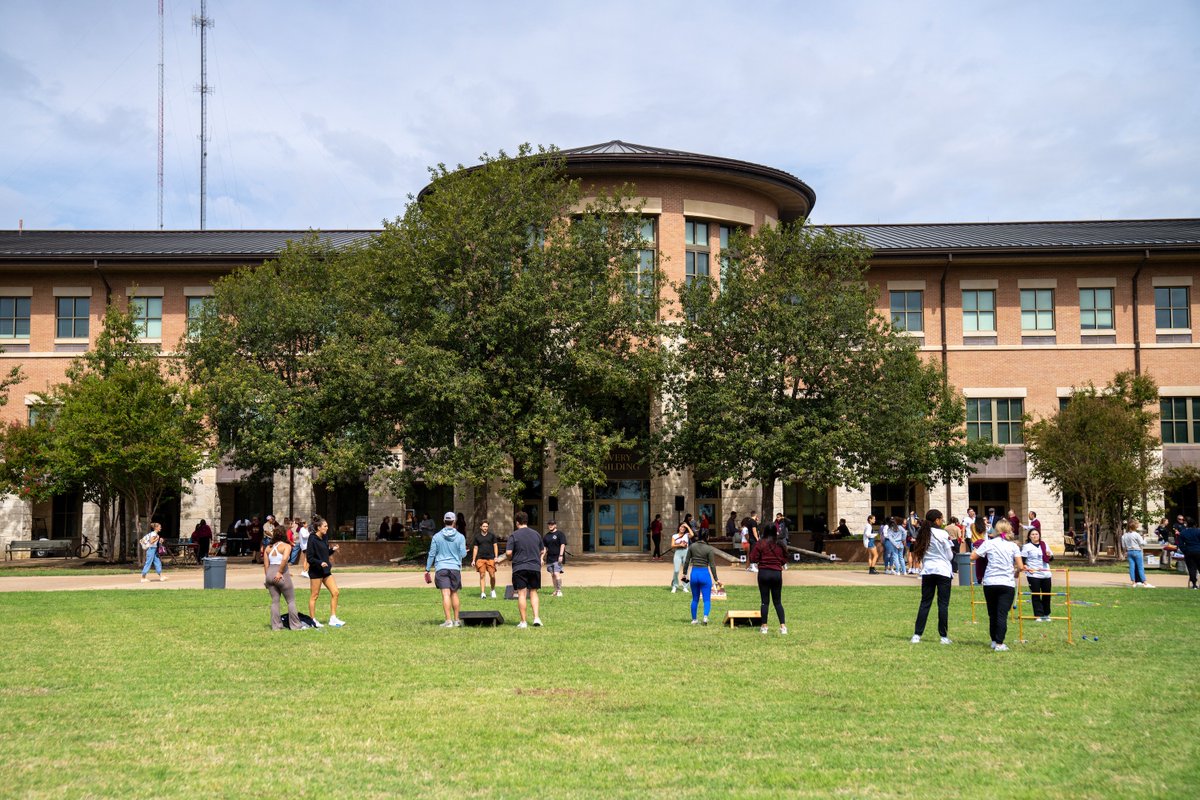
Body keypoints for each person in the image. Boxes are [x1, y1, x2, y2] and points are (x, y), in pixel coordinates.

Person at [972, 520, 1026, 651]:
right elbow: (1020, 566)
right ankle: (1000, 643)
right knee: (1002, 614)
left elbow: (973, 557)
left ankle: (994, 640)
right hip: (1006, 583)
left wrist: (978, 550)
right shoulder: (1013, 546)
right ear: (1009, 531)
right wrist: (1018, 570)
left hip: (990, 582)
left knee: (993, 614)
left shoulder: (988, 543)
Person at [910, 509, 955, 645]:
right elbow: (950, 556)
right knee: (943, 604)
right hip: (943, 571)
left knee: (925, 603)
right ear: (936, 520)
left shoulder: (924, 533)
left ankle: (917, 635)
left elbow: (921, 553)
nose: (942, 521)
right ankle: (943, 636)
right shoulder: (943, 534)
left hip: (928, 570)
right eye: (941, 519)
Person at [426, 511, 468, 627]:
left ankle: (448, 621)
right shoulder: (460, 537)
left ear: (444, 521)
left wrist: (427, 569)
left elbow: (432, 554)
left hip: (441, 567)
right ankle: (456, 620)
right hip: (455, 568)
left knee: (445, 594)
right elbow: (463, 554)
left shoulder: (437, 536)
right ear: (454, 522)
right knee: (454, 593)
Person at [505, 511, 545, 628]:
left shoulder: (514, 535)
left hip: (519, 567)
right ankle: (537, 618)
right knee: (533, 592)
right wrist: (539, 558)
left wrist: (508, 558)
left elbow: (508, 552)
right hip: (534, 567)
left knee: (522, 594)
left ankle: (523, 622)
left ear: (517, 522)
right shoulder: (536, 534)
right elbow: (542, 550)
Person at [750, 525, 789, 635]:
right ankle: (783, 626)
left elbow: (753, 558)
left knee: (764, 601)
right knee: (778, 601)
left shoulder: (760, 543)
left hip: (763, 573)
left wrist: (760, 561)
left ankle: (764, 626)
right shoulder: (780, 544)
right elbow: (785, 558)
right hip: (776, 573)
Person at [306, 515, 344, 628]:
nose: (327, 528)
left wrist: (332, 550)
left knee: (335, 592)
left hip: (326, 571)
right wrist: (320, 563)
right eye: (325, 526)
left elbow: (325, 553)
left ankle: (333, 618)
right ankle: (312, 620)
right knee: (314, 596)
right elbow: (310, 558)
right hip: (316, 571)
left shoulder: (325, 537)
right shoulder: (312, 539)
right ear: (318, 527)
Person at [263, 527, 301, 630]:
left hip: (270, 574)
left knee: (275, 601)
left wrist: (267, 578)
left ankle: (276, 626)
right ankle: (295, 625)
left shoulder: (268, 548)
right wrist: (280, 572)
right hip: (281, 573)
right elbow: (284, 559)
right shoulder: (286, 546)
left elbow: (266, 565)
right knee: (290, 601)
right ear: (284, 534)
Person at [681, 530, 721, 625]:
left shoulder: (692, 546)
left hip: (694, 574)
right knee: (706, 599)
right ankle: (705, 617)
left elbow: (687, 561)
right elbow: (712, 565)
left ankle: (694, 619)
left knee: (695, 599)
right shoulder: (709, 549)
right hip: (704, 574)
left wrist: (684, 573)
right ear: (707, 537)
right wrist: (716, 579)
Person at [1022, 528, 1054, 622]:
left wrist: (1049, 556)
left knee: (1046, 594)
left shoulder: (1044, 545)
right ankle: (1038, 615)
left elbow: (1051, 558)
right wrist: (1027, 568)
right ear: (1029, 536)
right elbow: (1023, 561)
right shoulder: (1026, 547)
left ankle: (1046, 614)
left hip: (1046, 574)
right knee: (1036, 595)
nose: (1035, 536)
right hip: (1033, 574)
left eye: (1036, 534)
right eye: (1032, 534)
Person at [1121, 520, 1154, 588]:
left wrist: (1125, 553)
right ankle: (1145, 583)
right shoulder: (1136, 534)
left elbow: (1124, 546)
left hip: (1129, 552)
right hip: (1137, 551)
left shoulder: (1124, 535)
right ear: (1135, 526)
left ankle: (1133, 583)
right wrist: (1145, 539)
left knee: (1132, 568)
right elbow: (1142, 543)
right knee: (1140, 567)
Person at [471, 520, 499, 599]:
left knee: (492, 575)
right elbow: (475, 548)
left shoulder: (492, 536)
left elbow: (495, 546)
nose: (485, 528)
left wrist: (496, 557)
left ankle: (492, 590)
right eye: (484, 526)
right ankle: (483, 593)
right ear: (480, 527)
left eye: (486, 526)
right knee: (482, 575)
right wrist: (473, 560)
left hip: (490, 558)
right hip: (480, 559)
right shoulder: (477, 537)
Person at [543, 520, 567, 597]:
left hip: (557, 558)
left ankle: (559, 591)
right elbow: (545, 548)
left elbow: (562, 545)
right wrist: (541, 557)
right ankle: (556, 590)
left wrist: (561, 556)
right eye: (549, 524)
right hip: (549, 558)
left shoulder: (560, 534)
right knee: (553, 575)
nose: (550, 525)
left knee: (557, 573)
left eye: (552, 524)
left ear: (555, 525)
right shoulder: (546, 536)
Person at [670, 520, 691, 593]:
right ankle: (674, 586)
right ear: (679, 527)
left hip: (686, 552)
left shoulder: (686, 535)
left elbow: (692, 535)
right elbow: (672, 545)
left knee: (685, 571)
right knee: (676, 570)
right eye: (681, 527)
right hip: (678, 553)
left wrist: (687, 526)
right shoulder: (674, 536)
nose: (682, 528)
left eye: (684, 527)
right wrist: (680, 545)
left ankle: (685, 586)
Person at [1178, 525, 1200, 590]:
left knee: (1192, 568)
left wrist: (1185, 551)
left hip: (1189, 551)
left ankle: (1194, 584)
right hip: (1198, 550)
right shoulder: (1198, 531)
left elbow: (1181, 544)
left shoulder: (1183, 532)